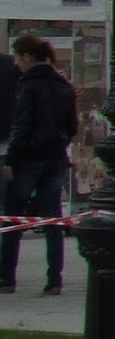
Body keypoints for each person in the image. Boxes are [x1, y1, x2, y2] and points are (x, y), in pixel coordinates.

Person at [1, 35, 79, 293]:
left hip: (29, 158)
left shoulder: (28, 84)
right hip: (56, 157)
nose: (15, 63)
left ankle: (7, 276)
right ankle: (54, 278)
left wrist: (12, 160)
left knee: (13, 217)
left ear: (26, 57)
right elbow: (72, 127)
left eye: (16, 58)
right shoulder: (63, 85)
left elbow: (22, 126)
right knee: (53, 218)